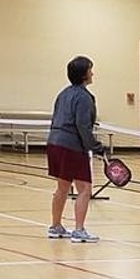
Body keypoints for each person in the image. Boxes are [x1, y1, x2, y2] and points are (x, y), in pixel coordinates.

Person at [46, 56, 105, 243]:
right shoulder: (84, 97)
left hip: (54, 143)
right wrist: (96, 147)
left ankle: (56, 226)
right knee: (85, 189)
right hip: (71, 146)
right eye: (90, 69)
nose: (92, 73)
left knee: (62, 187)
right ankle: (79, 230)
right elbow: (83, 126)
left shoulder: (63, 94)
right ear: (84, 74)